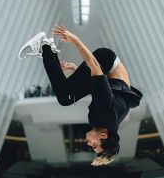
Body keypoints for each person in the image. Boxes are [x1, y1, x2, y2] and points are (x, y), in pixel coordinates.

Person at [18, 25, 143, 166]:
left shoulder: (100, 122)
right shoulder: (107, 114)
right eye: (94, 145)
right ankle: (44, 45)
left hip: (108, 77)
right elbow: (96, 67)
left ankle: (49, 49)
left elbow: (98, 89)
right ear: (103, 136)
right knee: (65, 95)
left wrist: (77, 70)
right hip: (106, 61)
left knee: (66, 98)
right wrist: (75, 39)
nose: (89, 144)